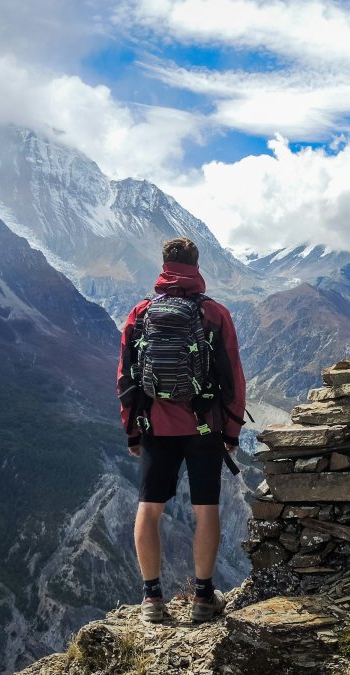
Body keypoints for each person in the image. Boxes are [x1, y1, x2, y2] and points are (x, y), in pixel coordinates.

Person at [116, 237, 247, 623]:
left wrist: (132, 431)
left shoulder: (140, 313)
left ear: (163, 265)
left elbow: (125, 377)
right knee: (206, 510)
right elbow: (234, 378)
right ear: (197, 265)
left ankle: (152, 599)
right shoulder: (215, 314)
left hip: (155, 425)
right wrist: (232, 431)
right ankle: (204, 597)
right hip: (205, 427)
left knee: (150, 508)